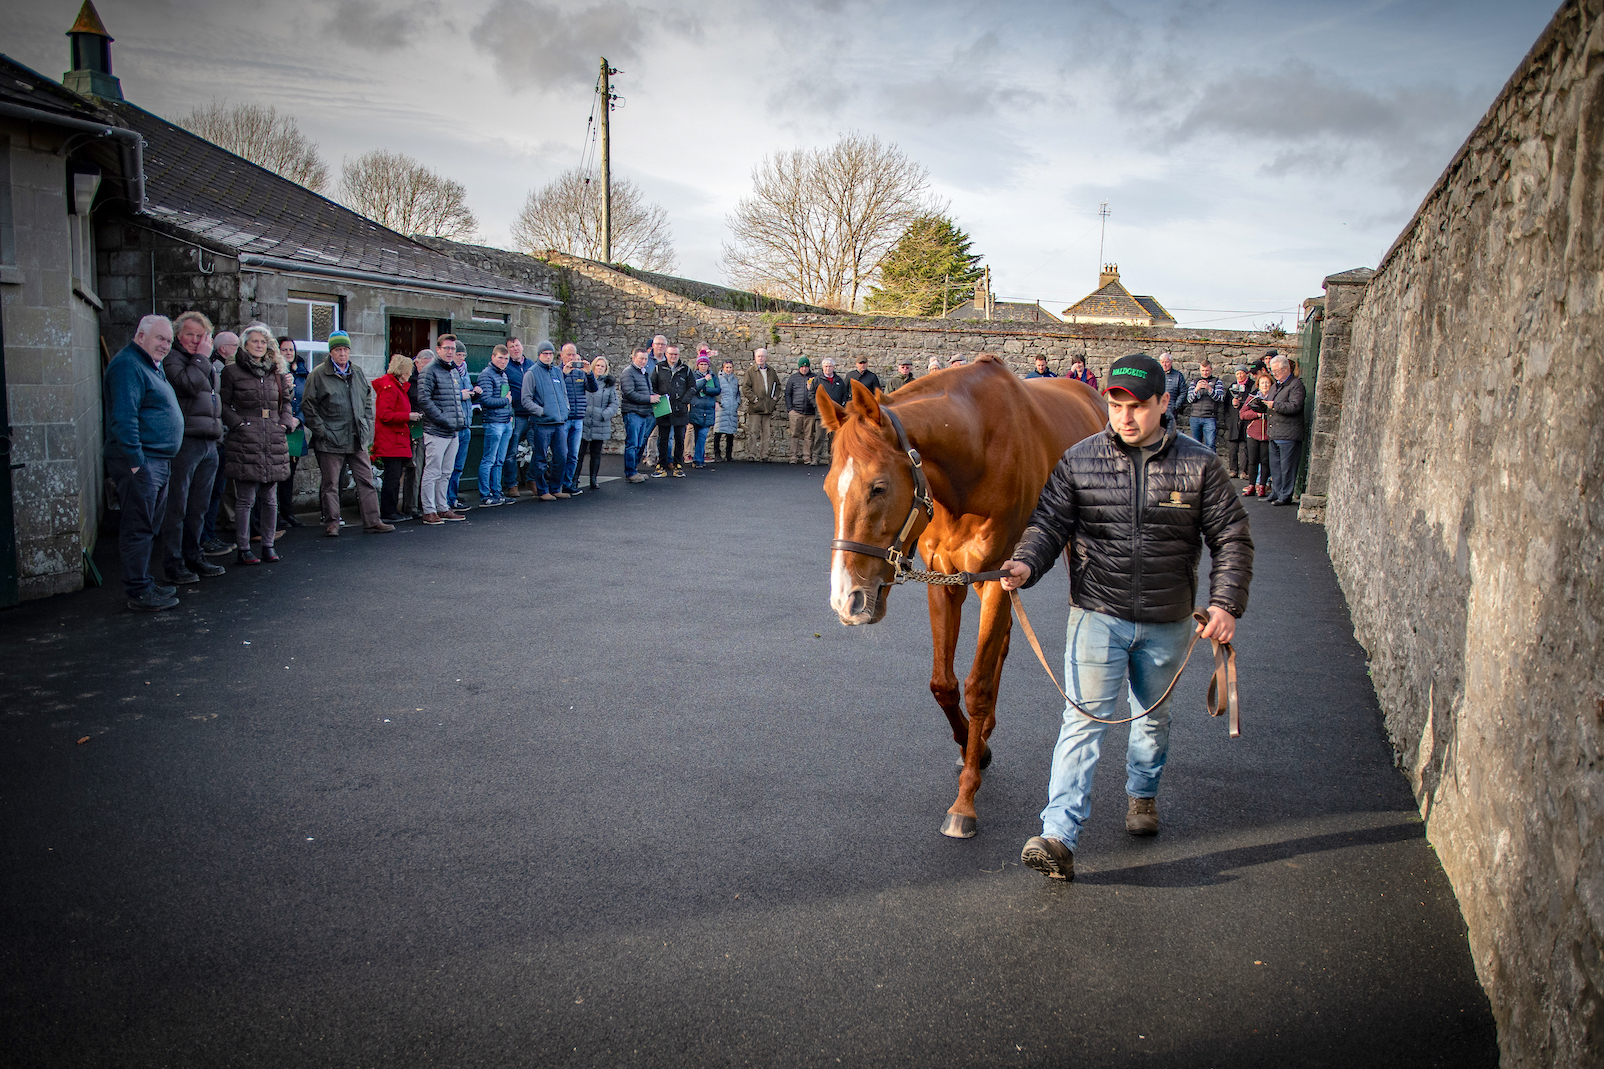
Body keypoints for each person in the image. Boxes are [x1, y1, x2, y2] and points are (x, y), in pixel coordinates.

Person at [999, 353, 1253, 882]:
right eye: (1117, 405)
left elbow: (1231, 538)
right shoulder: (1078, 460)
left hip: (1168, 619)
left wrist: (1225, 603)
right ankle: (1058, 835)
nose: (1126, 417)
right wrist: (1025, 562)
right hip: (1097, 614)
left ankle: (1142, 793)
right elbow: (1049, 523)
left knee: (1151, 719)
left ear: (1164, 403)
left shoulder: (1200, 465)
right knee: (1082, 721)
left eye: (1138, 406)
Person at [104, 315, 185, 610]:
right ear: (141, 336)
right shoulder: (128, 366)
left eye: (168, 340)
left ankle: (144, 582)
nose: (165, 345)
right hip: (142, 462)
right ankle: (138, 592)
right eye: (159, 338)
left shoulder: (150, 364)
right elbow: (124, 419)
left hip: (156, 460)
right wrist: (137, 463)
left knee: (148, 526)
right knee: (139, 527)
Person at [300, 330, 392, 537]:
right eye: (338, 349)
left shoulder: (357, 372)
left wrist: (366, 424)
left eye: (345, 349)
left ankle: (373, 521)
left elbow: (367, 399)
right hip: (330, 439)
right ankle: (332, 523)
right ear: (331, 352)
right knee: (331, 484)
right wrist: (322, 431)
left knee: (366, 480)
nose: (342, 353)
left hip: (356, 437)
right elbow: (308, 406)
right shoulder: (318, 375)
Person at [158, 311, 226, 585]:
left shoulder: (201, 360)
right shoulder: (172, 359)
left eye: (200, 336)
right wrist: (202, 357)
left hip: (208, 440)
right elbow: (186, 385)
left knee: (199, 505)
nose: (195, 341)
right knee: (177, 507)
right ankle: (173, 563)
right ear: (177, 335)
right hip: (185, 441)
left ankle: (193, 555)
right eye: (189, 335)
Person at [219, 323, 296, 563]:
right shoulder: (231, 372)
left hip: (272, 437)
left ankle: (268, 545)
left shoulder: (276, 372)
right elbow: (222, 404)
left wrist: (283, 423)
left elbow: (285, 403)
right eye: (254, 341)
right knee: (245, 498)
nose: (259, 345)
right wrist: (240, 424)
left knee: (270, 498)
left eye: (263, 342)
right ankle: (243, 548)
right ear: (245, 344)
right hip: (246, 439)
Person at [415, 334, 467, 523]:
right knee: (432, 471)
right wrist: (443, 419)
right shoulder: (429, 371)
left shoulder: (453, 371)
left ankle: (442, 507)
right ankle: (429, 510)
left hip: (452, 431)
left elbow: (455, 400)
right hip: (436, 430)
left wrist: (457, 421)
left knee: (446, 472)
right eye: (446, 348)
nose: (450, 352)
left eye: (453, 349)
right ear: (438, 349)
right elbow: (424, 400)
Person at [199, 330, 240, 557]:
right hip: (216, 439)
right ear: (223, 349)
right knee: (210, 492)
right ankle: (205, 538)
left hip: (221, 438)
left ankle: (208, 535)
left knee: (216, 491)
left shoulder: (221, 368)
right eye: (236, 345)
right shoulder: (218, 369)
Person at [521, 339, 571, 499]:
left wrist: (565, 409)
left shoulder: (557, 372)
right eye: (545, 354)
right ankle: (543, 490)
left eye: (550, 354)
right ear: (539, 355)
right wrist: (541, 411)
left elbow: (563, 394)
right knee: (540, 458)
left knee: (562, 456)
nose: (548, 356)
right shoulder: (532, 373)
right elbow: (526, 399)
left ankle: (556, 488)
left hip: (559, 422)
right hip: (542, 424)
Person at [373, 354, 418, 522]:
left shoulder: (396, 386)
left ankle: (392, 510)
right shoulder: (390, 387)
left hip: (396, 438)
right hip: (391, 439)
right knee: (392, 478)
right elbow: (385, 414)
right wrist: (408, 416)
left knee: (395, 476)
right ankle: (388, 511)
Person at [1263, 354, 1306, 506]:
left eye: (1277, 370)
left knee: (1287, 467)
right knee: (1275, 466)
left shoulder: (1296, 385)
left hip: (1289, 433)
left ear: (1286, 368)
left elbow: (1295, 406)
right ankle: (1276, 492)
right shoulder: (1276, 386)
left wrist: (1273, 405)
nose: (1274, 374)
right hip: (1274, 432)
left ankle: (1285, 495)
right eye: (1272, 371)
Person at [475, 344, 515, 506]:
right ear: (493, 357)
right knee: (489, 460)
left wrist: (510, 414)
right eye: (500, 358)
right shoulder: (486, 375)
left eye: (506, 358)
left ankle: (497, 492)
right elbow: (486, 400)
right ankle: (486, 495)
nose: (503, 361)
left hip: (505, 422)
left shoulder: (503, 375)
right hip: (493, 422)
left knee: (499, 460)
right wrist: (506, 401)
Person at [276, 336, 309, 528]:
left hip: (296, 430)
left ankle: (288, 512)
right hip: (280, 429)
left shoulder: (302, 375)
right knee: (277, 474)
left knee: (290, 474)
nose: (288, 353)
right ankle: (276, 514)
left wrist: (300, 419)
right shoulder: (276, 373)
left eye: (291, 350)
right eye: (284, 349)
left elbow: (307, 401)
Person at [559, 343, 598, 495]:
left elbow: (593, 388)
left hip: (578, 417)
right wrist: (564, 373)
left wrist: (589, 373)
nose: (571, 357)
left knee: (573, 454)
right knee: (562, 453)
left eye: (573, 354)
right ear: (562, 355)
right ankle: (558, 484)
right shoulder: (558, 371)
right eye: (568, 354)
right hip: (564, 418)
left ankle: (569, 483)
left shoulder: (580, 373)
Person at [650, 344, 694, 478]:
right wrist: (658, 399)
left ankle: (678, 465)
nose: (673, 356)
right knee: (663, 438)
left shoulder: (685, 369)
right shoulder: (659, 368)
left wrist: (684, 401)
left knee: (679, 438)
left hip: (680, 409)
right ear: (666, 354)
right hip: (664, 408)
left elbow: (692, 387)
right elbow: (653, 385)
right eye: (671, 354)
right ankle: (662, 464)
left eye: (676, 354)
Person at [446, 340, 478, 511]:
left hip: (467, 423)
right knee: (449, 467)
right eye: (459, 355)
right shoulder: (448, 371)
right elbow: (445, 395)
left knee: (459, 466)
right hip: (454, 426)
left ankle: (453, 498)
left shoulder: (464, 372)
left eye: (463, 355)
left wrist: (474, 392)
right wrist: (460, 395)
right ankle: (446, 500)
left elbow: (467, 395)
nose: (461, 358)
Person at [579, 355, 618, 489]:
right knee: (580, 452)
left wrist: (604, 415)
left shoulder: (609, 385)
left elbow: (614, 403)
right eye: (598, 365)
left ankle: (593, 478)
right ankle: (574, 478)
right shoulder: (584, 380)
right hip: (585, 420)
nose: (600, 368)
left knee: (596, 453)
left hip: (600, 422)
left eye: (603, 366)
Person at [501, 337, 533, 496]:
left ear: (522, 346)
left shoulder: (531, 365)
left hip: (532, 415)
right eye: (511, 346)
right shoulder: (506, 367)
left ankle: (531, 481)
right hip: (516, 415)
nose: (515, 348)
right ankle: (512, 484)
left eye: (517, 345)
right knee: (511, 451)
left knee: (534, 450)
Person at [740, 347, 782, 462]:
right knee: (753, 432)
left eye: (762, 356)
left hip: (768, 407)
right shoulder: (751, 371)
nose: (760, 358)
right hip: (755, 408)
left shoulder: (771, 371)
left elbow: (778, 386)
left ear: (766, 357)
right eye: (758, 356)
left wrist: (774, 399)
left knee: (766, 433)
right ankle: (752, 454)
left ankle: (764, 454)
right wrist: (754, 399)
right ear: (755, 357)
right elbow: (745, 388)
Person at [620, 347, 656, 483]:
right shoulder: (628, 373)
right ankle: (630, 472)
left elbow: (647, 391)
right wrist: (649, 399)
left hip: (643, 413)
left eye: (645, 359)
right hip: (632, 412)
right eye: (641, 358)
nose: (643, 361)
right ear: (633, 358)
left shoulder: (644, 373)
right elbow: (629, 393)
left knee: (640, 443)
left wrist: (653, 396)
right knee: (632, 443)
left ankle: (634, 470)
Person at [1239, 369, 1274, 498]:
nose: (1265, 385)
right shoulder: (1253, 397)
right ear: (1258, 385)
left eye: (1267, 383)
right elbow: (1243, 414)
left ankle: (1262, 486)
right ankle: (1252, 485)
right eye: (1262, 383)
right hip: (1253, 432)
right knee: (1252, 460)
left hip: (1267, 433)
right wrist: (1257, 414)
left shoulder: (1273, 398)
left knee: (1265, 461)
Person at [784, 356, 822, 465]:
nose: (804, 369)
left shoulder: (815, 378)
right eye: (802, 367)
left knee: (809, 436)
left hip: (810, 412)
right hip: (796, 411)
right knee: (794, 435)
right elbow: (788, 394)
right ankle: (793, 456)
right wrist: (790, 409)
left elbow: (818, 393)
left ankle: (807, 457)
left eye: (806, 366)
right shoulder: (793, 378)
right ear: (799, 367)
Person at [1186, 359, 1226, 452]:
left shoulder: (1217, 381)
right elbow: (1190, 399)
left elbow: (1220, 398)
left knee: (1210, 445)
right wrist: (1196, 390)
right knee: (1195, 444)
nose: (1205, 373)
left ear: (1211, 369)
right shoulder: (1194, 382)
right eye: (1203, 370)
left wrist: (1209, 389)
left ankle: (1211, 465)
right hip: (1195, 417)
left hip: (1209, 417)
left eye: (1207, 370)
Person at [689, 353, 721, 468]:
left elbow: (717, 389)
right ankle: (699, 458)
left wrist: (706, 389)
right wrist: (704, 381)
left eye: (705, 364)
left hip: (708, 409)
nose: (703, 366)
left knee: (702, 434)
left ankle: (697, 460)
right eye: (701, 364)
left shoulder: (713, 376)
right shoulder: (693, 375)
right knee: (698, 434)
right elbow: (693, 388)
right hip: (697, 408)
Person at [1225, 367, 1253, 478]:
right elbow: (1226, 405)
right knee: (1232, 448)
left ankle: (1243, 471)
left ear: (1246, 374)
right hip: (1233, 420)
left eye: (1241, 373)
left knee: (1244, 448)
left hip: (1245, 421)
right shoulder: (1232, 387)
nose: (1240, 376)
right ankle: (1233, 469)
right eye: (1237, 374)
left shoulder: (1251, 386)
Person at [712, 358, 740, 462]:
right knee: (718, 431)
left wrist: (737, 403)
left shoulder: (735, 380)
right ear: (723, 368)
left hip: (732, 408)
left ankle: (729, 454)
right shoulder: (718, 379)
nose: (729, 369)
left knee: (730, 433)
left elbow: (737, 393)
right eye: (727, 367)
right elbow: (717, 392)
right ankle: (717, 454)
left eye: (730, 367)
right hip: (722, 408)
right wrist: (720, 403)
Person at [1158, 351, 1187, 427]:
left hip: (1171, 411)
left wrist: (1175, 406)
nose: (1164, 364)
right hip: (1157, 409)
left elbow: (1183, 392)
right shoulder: (1156, 375)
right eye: (1162, 362)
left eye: (1167, 362)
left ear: (1171, 362)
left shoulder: (1178, 375)